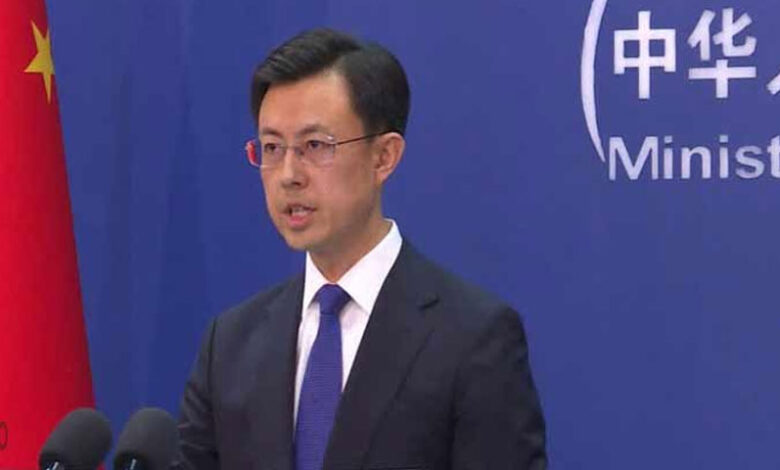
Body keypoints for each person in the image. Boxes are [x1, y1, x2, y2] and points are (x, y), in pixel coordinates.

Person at [177, 28, 547, 470]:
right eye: (272, 147)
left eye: (315, 145)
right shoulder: (230, 345)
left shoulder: (472, 339)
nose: (288, 174)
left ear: (384, 156)